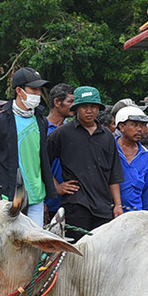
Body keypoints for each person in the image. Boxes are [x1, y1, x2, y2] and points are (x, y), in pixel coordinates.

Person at [47, 85, 123, 239]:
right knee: (77, 253)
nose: (89, 111)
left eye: (93, 106)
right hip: (75, 205)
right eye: (84, 107)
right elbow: (42, 163)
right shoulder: (62, 134)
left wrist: (118, 205)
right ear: (76, 109)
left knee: (101, 254)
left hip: (103, 206)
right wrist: (56, 187)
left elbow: (114, 174)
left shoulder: (107, 136)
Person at [0, 67, 57, 224]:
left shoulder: (41, 120)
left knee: (34, 245)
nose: (38, 93)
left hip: (37, 194)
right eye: (34, 89)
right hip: (8, 195)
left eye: (39, 89)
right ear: (19, 90)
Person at [115, 106, 148, 215]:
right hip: (111, 213)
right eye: (134, 125)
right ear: (122, 127)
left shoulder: (146, 156)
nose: (139, 129)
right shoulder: (110, 150)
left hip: (135, 214)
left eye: (142, 125)